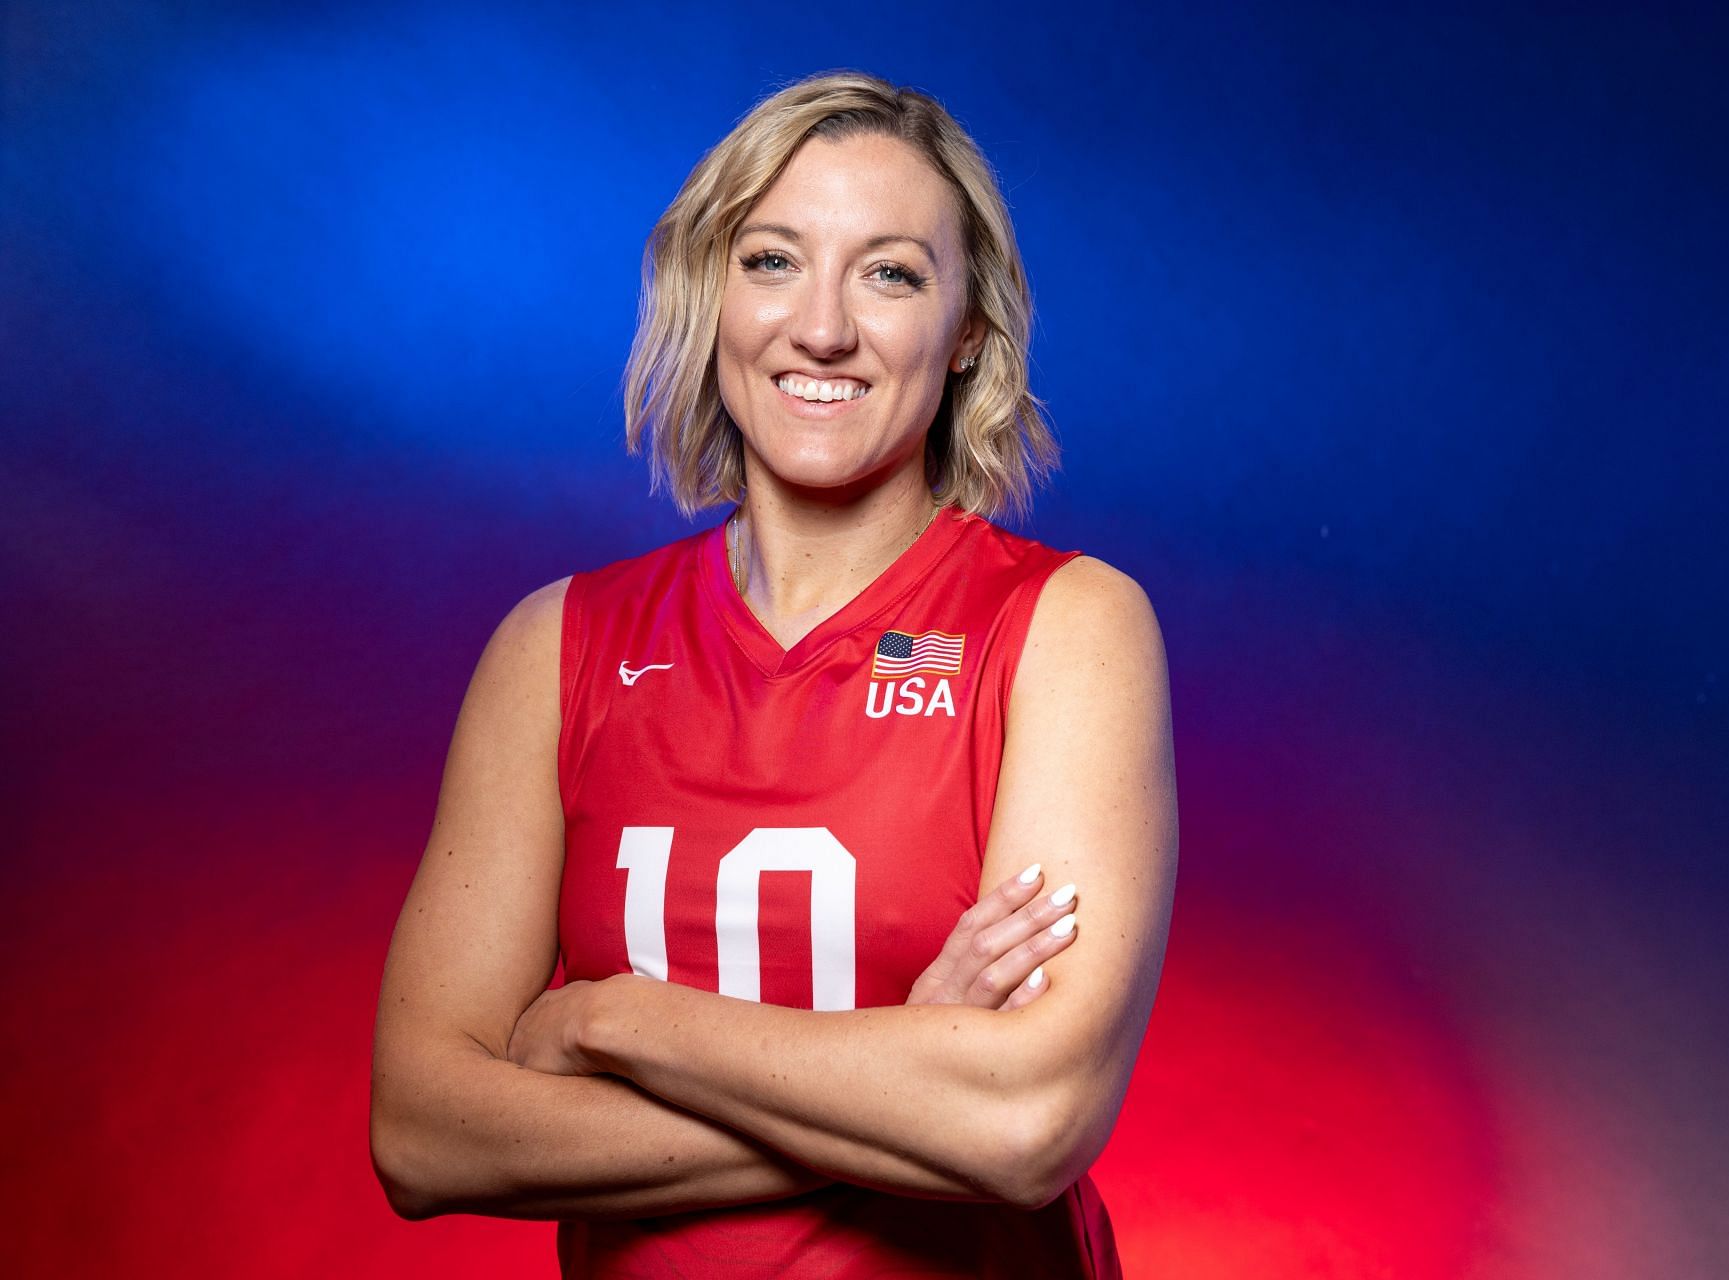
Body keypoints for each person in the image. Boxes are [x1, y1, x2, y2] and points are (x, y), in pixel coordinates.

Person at [370, 69, 1177, 1278]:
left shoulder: (1064, 624)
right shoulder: (559, 647)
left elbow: (1024, 1122)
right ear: (710, 293)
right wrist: (900, 1069)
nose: (823, 327)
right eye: (771, 259)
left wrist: (614, 1018)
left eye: (892, 272)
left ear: (967, 332)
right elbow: (425, 1134)